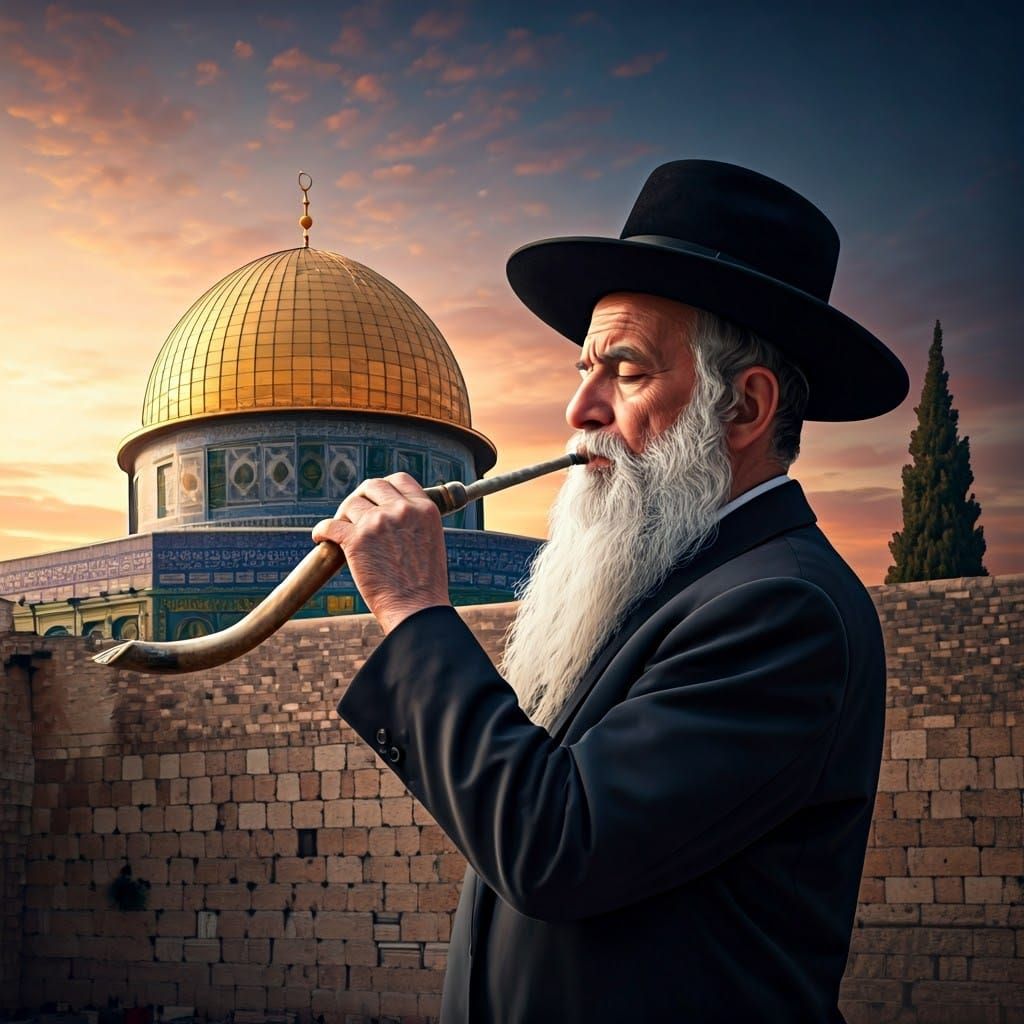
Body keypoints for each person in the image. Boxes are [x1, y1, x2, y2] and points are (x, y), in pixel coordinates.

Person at [313, 160, 909, 1023]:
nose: (578, 408)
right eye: (584, 368)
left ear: (743, 408)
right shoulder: (667, 584)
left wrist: (414, 613)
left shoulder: (785, 610)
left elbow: (556, 845)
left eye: (623, 372)